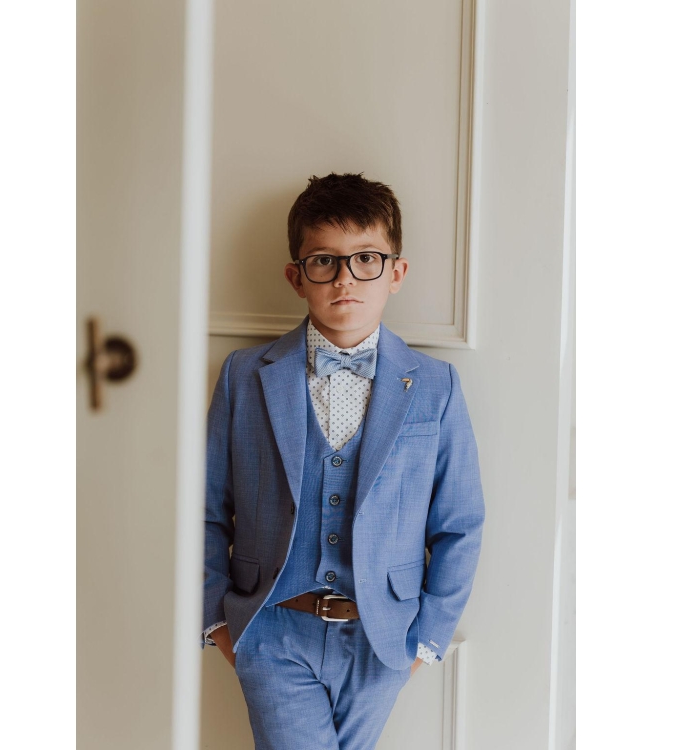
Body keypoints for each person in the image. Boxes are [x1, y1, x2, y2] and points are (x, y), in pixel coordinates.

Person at [202, 172, 485, 749]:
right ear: (296, 276)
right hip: (273, 630)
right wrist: (218, 622)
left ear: (396, 273)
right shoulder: (243, 377)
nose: (345, 278)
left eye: (366, 259)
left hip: (384, 641)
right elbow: (203, 512)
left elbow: (460, 524)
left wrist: (424, 642)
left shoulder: (437, 387)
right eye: (324, 261)